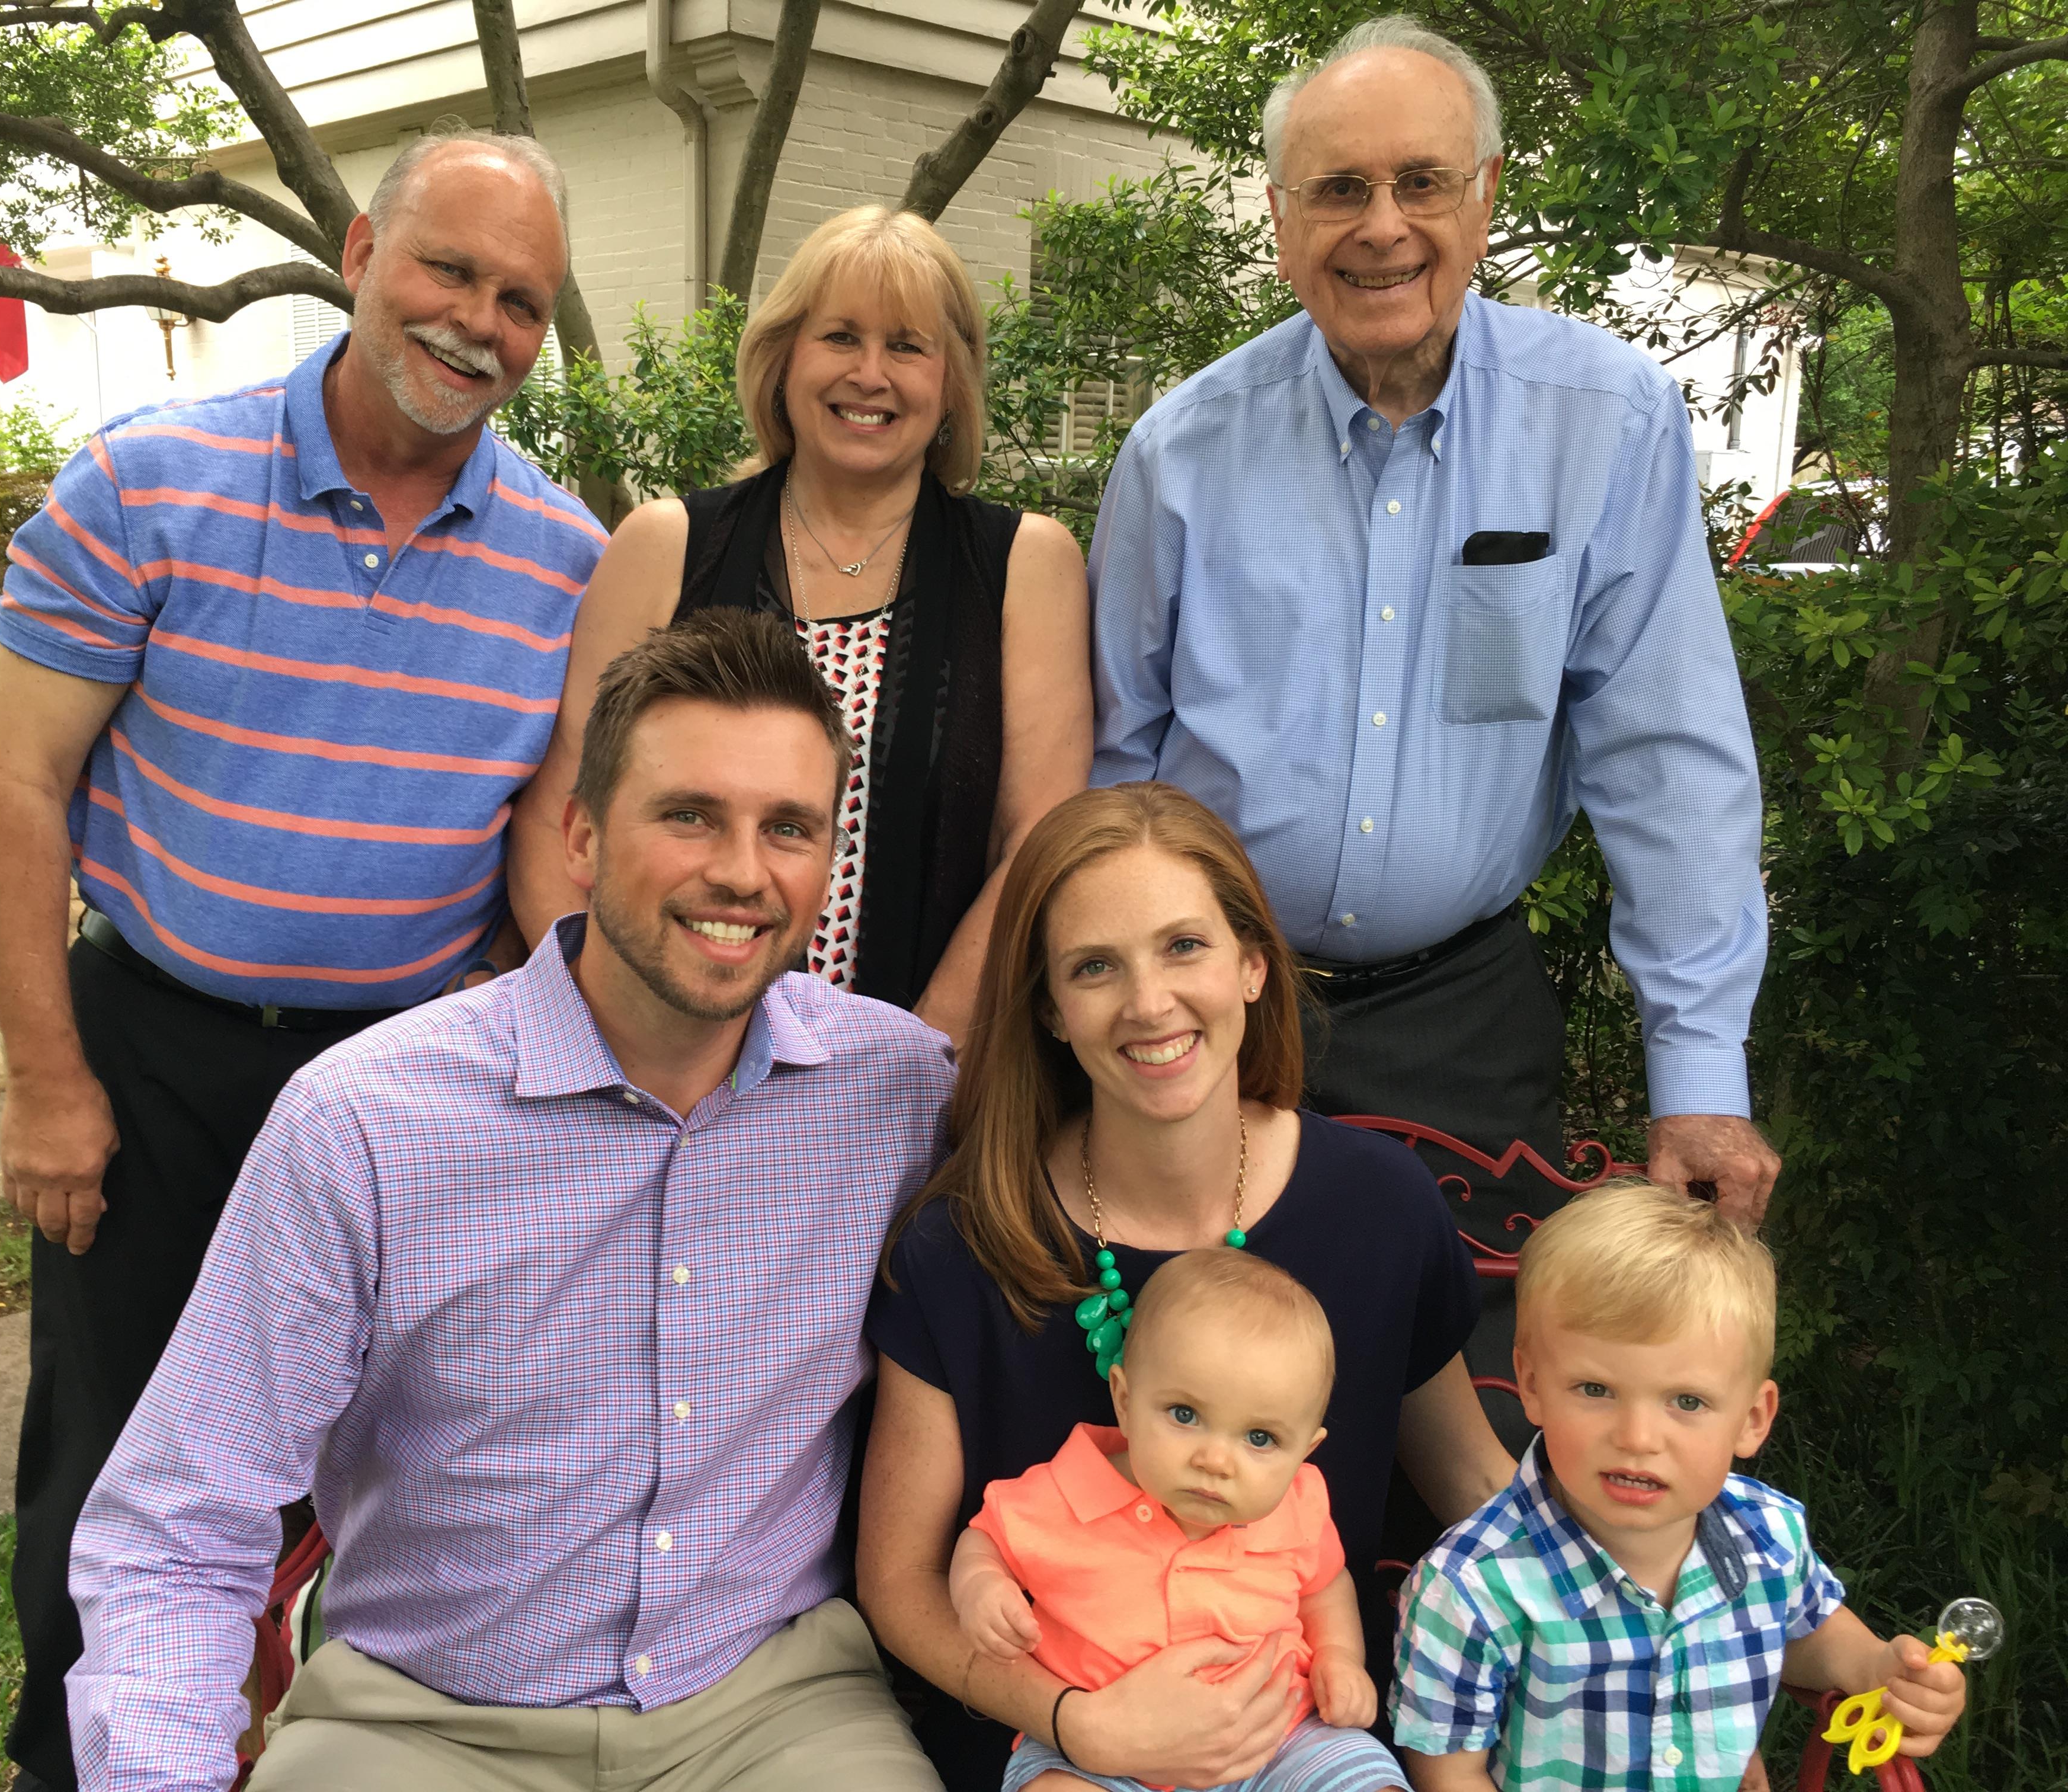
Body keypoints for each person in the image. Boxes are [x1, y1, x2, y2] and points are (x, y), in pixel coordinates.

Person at [0, 128, 604, 1792]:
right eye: (450, 269)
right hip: (153, 1053)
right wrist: (47, 1080)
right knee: (123, 1468)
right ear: (358, 253)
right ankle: (78, 1763)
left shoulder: (566, 564)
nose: (478, 321)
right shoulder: (146, 480)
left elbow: (549, 850)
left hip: (397, 1080)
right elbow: (19, 786)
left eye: (520, 301)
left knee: (386, 1478)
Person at [62, 609, 956, 1791]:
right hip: (422, 1724)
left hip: (772, 1714)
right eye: (689, 814)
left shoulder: (893, 1090)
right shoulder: (368, 1123)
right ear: (582, 835)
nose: (742, 872)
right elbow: (181, 1521)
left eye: (786, 827)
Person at [1086, 19, 1780, 1336]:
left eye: (1421, 182)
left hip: (1466, 1015)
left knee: (1475, 1419)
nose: (1382, 228)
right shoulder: (1178, 454)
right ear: (1284, 220)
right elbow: (1117, 768)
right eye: (1339, 190)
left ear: (1487, 195)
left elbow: (1665, 758)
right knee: (1205, 1415)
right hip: (1216, 1013)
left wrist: (1699, 1075)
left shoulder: (1605, 423)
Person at [856, 782, 1515, 1792]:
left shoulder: (1377, 1209)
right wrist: (1077, 1719)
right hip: (1063, 1730)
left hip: (1292, 1731)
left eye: (1184, 946)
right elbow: (899, 1582)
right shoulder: (964, 1243)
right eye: (1094, 966)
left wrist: (1678, 1628)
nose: (1149, 1001)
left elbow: (1472, 1485)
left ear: (1253, 965)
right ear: (1049, 1007)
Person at [509, 203, 1092, 1044]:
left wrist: (912, 1062)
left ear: (952, 382)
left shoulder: (1023, 568)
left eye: (907, 346)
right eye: (841, 337)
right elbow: (560, 809)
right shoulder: (665, 549)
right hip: (657, 1062)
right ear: (783, 358)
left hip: (921, 1074)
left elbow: (1036, 842)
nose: (871, 374)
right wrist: (605, 1035)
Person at [1391, 1181, 1970, 1790]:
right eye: (1595, 1390)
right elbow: (1449, 1775)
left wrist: (1881, 1670)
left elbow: (1811, 1634)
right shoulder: (1472, 1587)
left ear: (1752, 1419)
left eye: (1687, 1401)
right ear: (1532, 1385)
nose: (1638, 1437)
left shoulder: (1766, 1535)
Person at [953, 1250, 1408, 1792]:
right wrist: (980, 1586)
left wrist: (1339, 1657)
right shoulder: (1064, 1492)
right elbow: (985, 1539)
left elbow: (1325, 1585)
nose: (1215, 1460)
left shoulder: (1298, 1503)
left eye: (1260, 1439)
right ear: (1124, 1400)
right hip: (1105, 1754)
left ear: (1304, 1453)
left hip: (1278, 1737)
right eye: (1185, 1415)